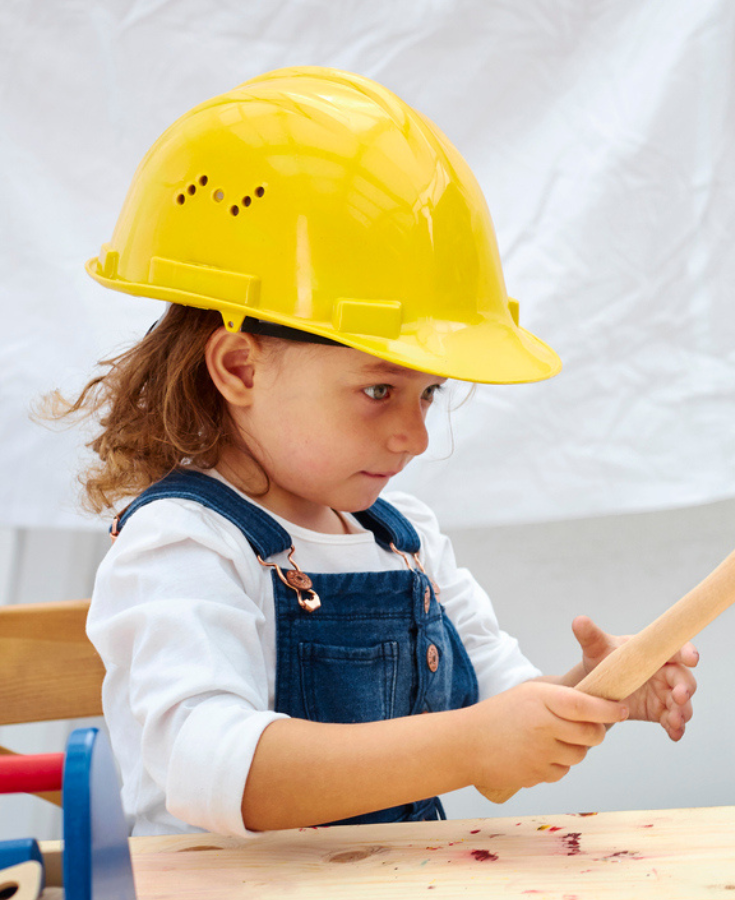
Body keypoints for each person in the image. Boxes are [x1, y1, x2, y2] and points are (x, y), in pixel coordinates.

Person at [55, 67, 697, 836]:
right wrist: (470, 745)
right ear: (239, 367)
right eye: (376, 392)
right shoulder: (183, 544)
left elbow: (499, 717)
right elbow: (208, 770)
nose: (416, 434)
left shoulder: (403, 538)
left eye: (428, 394)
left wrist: (591, 693)